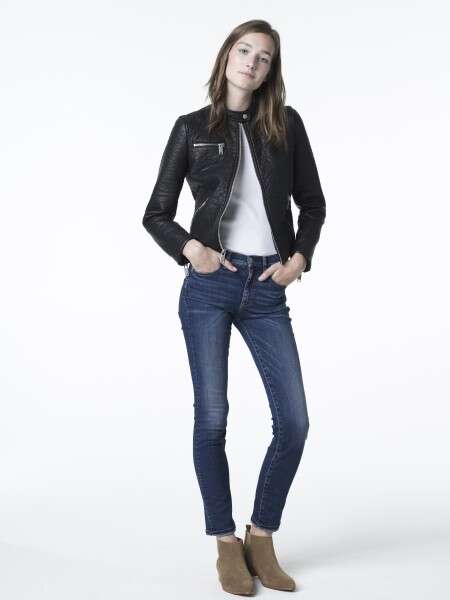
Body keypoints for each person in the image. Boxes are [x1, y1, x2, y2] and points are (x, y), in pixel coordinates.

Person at [142, 19, 326, 596]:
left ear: (271, 71)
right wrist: (191, 249)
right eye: (244, 51)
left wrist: (299, 259)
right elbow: (156, 212)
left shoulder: (286, 125)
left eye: (264, 57)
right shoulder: (192, 128)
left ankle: (261, 537)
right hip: (209, 287)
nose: (252, 62)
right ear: (226, 57)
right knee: (213, 418)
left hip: (267, 287)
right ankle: (226, 543)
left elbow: (313, 204)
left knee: (294, 422)